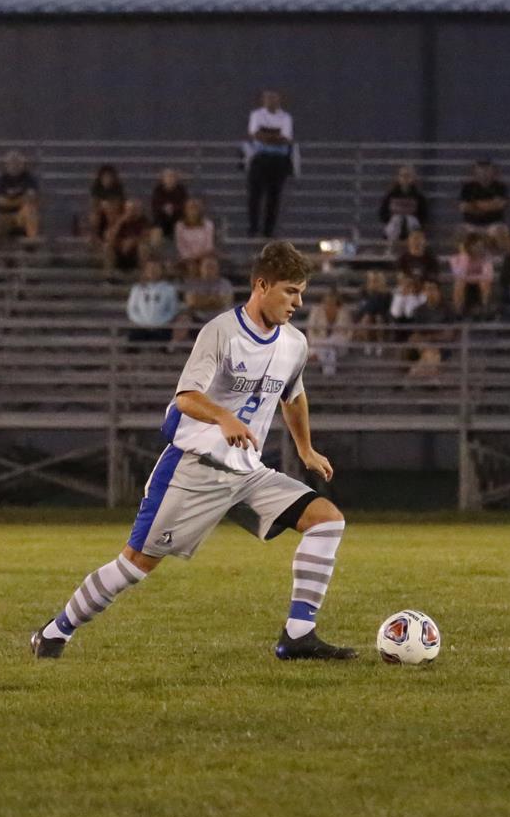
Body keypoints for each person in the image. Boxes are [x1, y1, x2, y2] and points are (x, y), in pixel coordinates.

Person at [31, 241, 354, 661]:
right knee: (135, 565)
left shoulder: (294, 343)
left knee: (326, 520)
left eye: (302, 292)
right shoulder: (221, 332)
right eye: (291, 291)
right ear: (261, 285)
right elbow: (185, 397)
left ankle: (297, 636)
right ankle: (55, 632)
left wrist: (306, 450)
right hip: (193, 469)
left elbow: (293, 396)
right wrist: (224, 417)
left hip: (246, 472)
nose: (298, 302)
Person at [244, 90, 295, 239]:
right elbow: (254, 134)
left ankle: (268, 230)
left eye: (273, 98)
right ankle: (253, 228)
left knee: (274, 196)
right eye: (268, 98)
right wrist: (275, 136)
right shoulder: (256, 115)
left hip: (278, 160)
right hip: (260, 157)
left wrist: (264, 136)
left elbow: (286, 138)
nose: (270, 101)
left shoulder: (285, 117)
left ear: (278, 100)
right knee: (255, 194)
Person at [0, 151, 41, 243]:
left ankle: (31, 243)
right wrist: (20, 199)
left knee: (31, 211)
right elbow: (0, 201)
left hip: (22, 215)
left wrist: (12, 199)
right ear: (6, 165)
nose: (14, 166)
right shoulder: (1, 180)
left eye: (18, 163)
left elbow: (32, 197)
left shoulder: (29, 179)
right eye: (11, 163)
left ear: (23, 165)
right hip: (5, 215)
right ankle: (0, 251)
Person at [125, 260, 180, 345]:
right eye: (150, 269)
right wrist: (144, 323)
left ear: (161, 270)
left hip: (161, 327)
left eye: (156, 268)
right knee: (132, 339)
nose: (153, 271)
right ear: (146, 271)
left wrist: (158, 323)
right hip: (140, 327)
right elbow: (131, 310)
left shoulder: (169, 289)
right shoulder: (137, 288)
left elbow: (172, 310)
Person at [458, 159, 510, 239]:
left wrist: (475, 205)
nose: (484, 174)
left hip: (494, 224)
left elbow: (500, 205)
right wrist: (490, 205)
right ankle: (463, 252)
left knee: (501, 231)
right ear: (474, 172)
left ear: (493, 172)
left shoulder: (500, 187)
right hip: (472, 224)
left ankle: (501, 252)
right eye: (480, 171)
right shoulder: (467, 188)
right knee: (460, 231)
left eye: (487, 171)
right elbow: (464, 207)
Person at [380, 165, 430, 247]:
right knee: (396, 220)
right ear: (398, 178)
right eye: (402, 176)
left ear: (413, 178)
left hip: (412, 226)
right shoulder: (391, 195)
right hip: (394, 226)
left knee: (411, 221)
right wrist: (392, 219)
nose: (405, 179)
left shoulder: (418, 196)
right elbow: (382, 213)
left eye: (408, 176)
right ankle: (390, 247)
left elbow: (423, 215)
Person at [172, 196, 219, 274]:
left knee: (206, 264)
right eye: (190, 208)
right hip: (186, 258)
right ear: (185, 210)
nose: (193, 211)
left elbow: (209, 246)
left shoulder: (208, 224)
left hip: (205, 256)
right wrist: (190, 258)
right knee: (191, 266)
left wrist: (197, 257)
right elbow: (180, 246)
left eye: (195, 208)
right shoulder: (179, 225)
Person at [148, 168, 190, 238]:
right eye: (167, 177)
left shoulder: (181, 190)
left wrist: (173, 208)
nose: (170, 179)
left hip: (178, 218)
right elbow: (155, 206)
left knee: (183, 224)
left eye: (172, 177)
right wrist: (164, 208)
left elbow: (184, 205)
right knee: (155, 229)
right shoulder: (158, 190)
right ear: (163, 179)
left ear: (176, 179)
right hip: (161, 218)